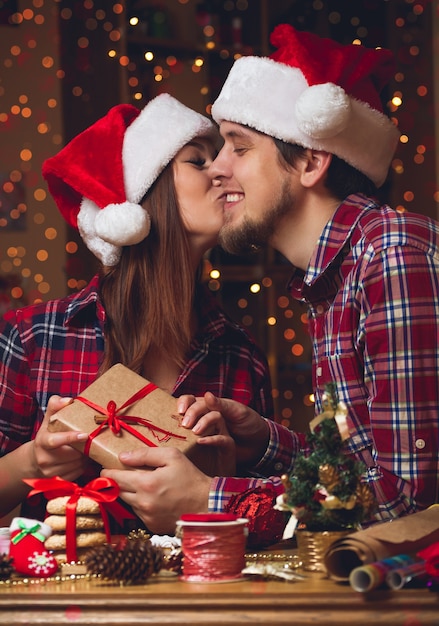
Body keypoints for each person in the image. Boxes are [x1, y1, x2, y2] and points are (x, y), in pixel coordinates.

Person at [178, 23, 439, 535]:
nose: (217, 170)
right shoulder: (330, 276)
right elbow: (357, 468)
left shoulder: (390, 255)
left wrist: (213, 499)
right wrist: (268, 441)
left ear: (312, 162)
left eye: (239, 147)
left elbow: (407, 496)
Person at [0, 93, 273, 529]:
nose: (223, 171)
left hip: (197, 594)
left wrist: (221, 481)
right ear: (145, 195)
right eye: (197, 161)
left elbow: (264, 514)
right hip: (64, 594)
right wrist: (33, 460)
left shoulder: (240, 355)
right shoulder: (37, 335)